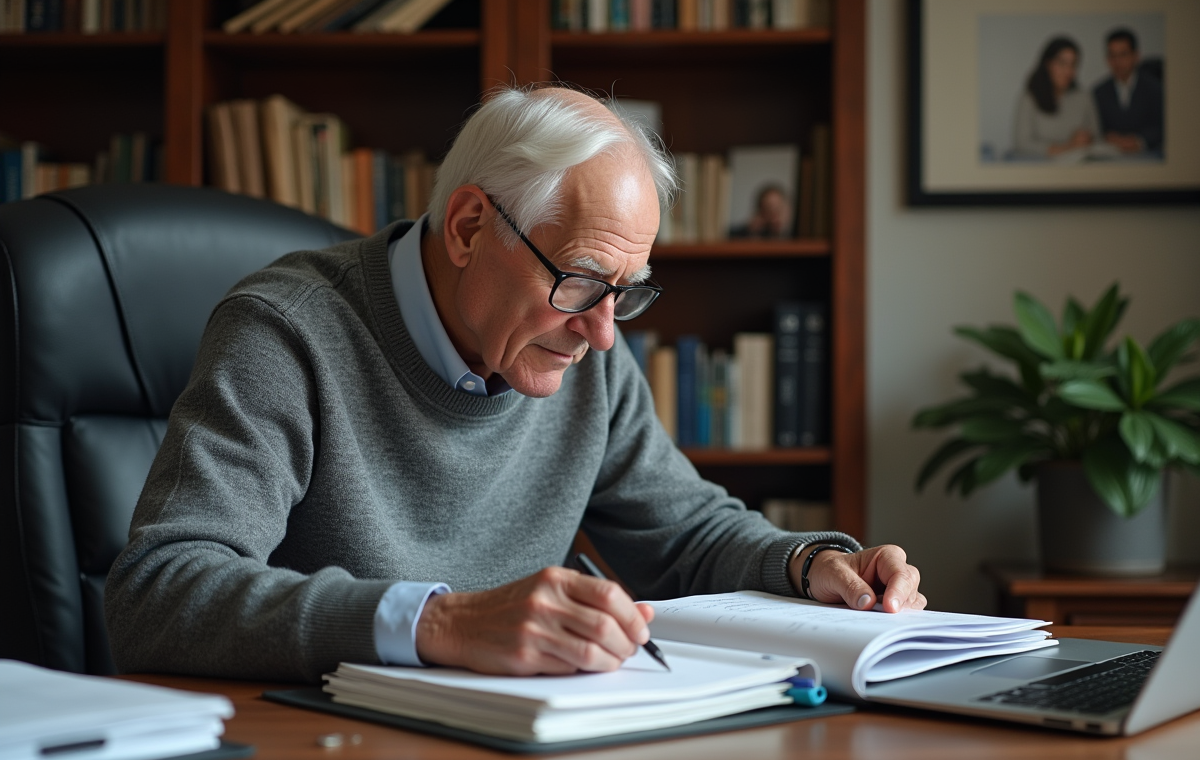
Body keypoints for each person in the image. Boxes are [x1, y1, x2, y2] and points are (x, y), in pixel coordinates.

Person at [105, 86, 925, 684]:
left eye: (628, 290)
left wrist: (814, 563)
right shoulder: (286, 333)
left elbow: (685, 536)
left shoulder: (585, 344)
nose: (605, 332)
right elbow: (158, 593)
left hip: (523, 744)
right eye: (579, 281)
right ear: (468, 228)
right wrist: (444, 622)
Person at [1013, 36, 1099, 159]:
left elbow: (1096, 135)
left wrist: (1087, 139)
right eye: (1062, 63)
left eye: (1073, 65)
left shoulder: (1083, 97)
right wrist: (1066, 147)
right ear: (1048, 64)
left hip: (1078, 166)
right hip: (1041, 168)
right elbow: (1022, 143)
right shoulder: (1030, 97)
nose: (1068, 71)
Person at [1092, 28, 1163, 155]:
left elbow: (1162, 125)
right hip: (1111, 157)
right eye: (1112, 56)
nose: (1117, 62)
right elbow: (1095, 128)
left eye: (1123, 54)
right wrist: (1109, 138)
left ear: (1136, 56)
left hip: (1149, 155)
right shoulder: (1098, 92)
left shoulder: (1155, 88)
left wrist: (1139, 141)